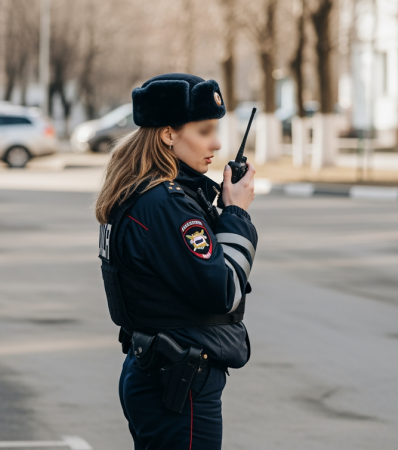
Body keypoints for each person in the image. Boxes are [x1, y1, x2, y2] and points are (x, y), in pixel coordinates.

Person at [96, 73, 258, 449]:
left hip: (160, 374)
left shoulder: (149, 192)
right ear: (169, 134)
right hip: (178, 384)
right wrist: (236, 214)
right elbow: (223, 291)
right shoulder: (165, 204)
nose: (216, 143)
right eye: (204, 131)